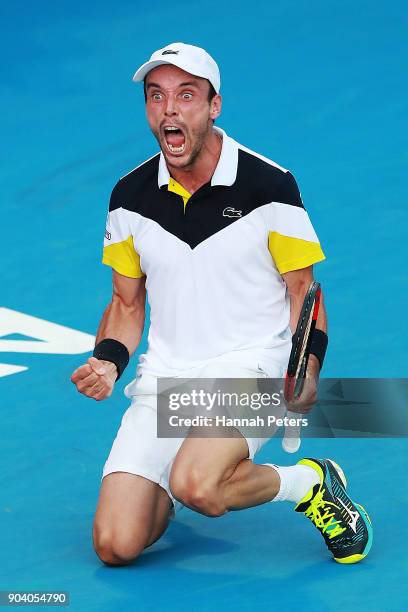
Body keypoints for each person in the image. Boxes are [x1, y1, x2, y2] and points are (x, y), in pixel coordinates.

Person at [71, 42, 372, 566]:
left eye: (186, 95)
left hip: (251, 367)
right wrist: (108, 360)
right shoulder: (128, 198)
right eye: (156, 96)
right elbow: (125, 303)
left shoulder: (269, 187)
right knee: (116, 545)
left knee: (200, 485)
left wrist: (310, 365)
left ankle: (311, 484)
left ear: (214, 106)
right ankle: (175, 479)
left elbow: (305, 291)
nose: (170, 109)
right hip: (167, 379)